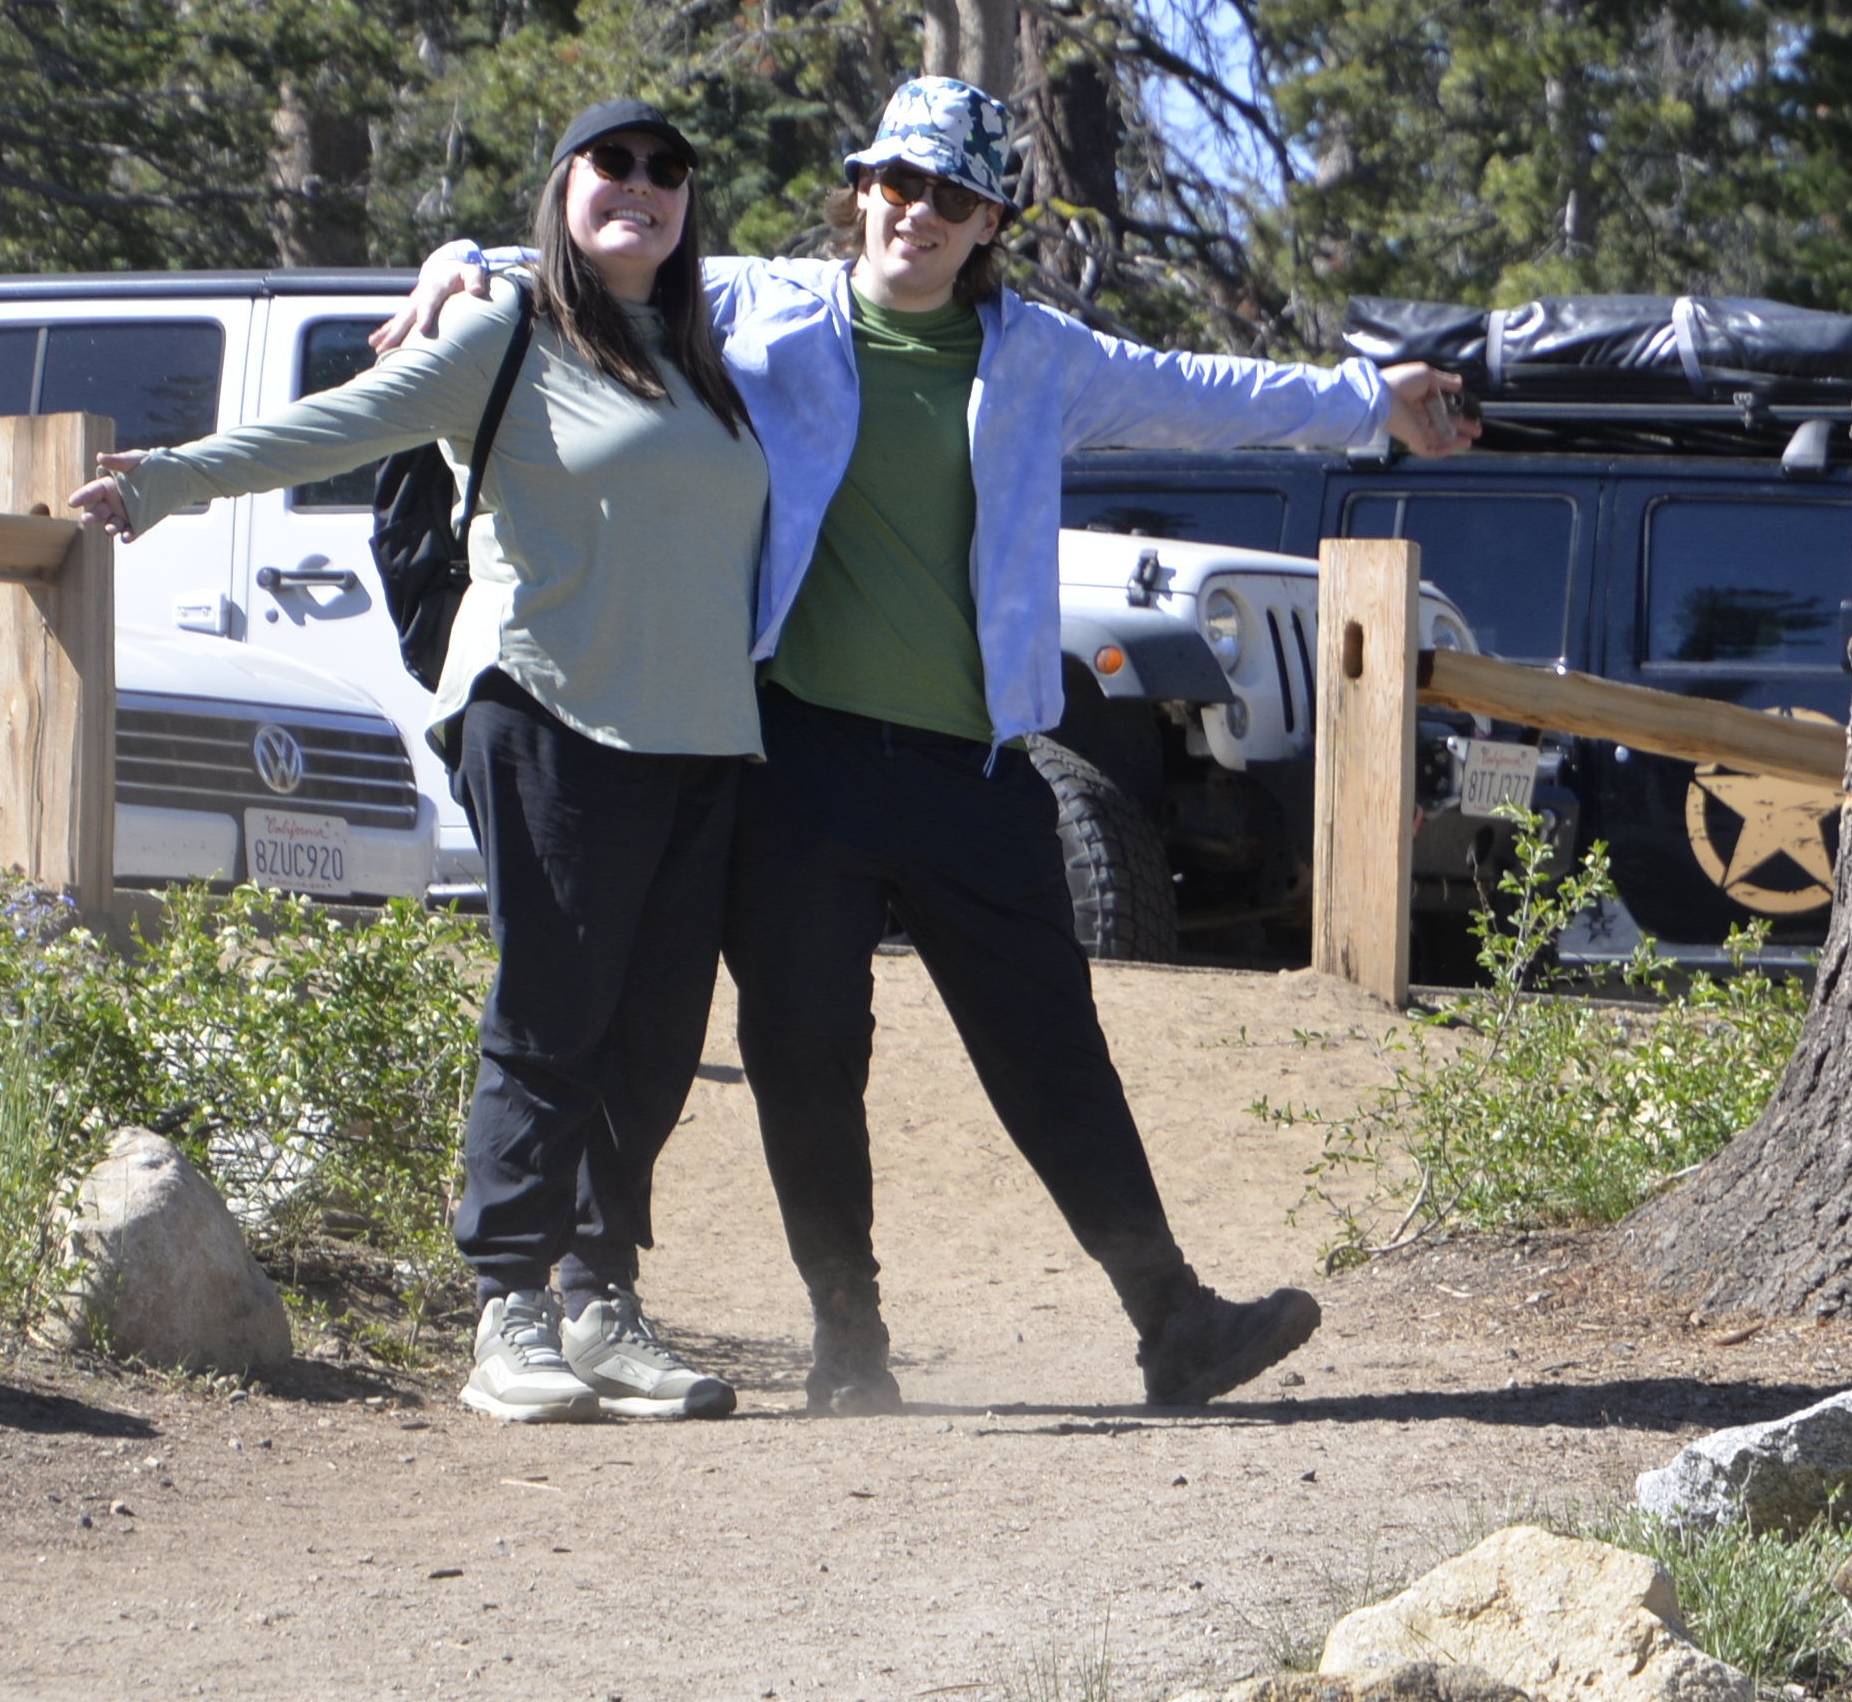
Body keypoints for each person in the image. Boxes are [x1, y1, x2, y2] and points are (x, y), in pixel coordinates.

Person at [385, 75, 1476, 1411]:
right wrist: (454, 264)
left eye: (952, 196)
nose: (918, 212)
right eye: (899, 184)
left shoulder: (1039, 357)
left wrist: (1371, 403)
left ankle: (1172, 1321)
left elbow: (1201, 390)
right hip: (798, 769)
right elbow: (589, 248)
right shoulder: (758, 309)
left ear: (988, 225)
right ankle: (849, 1340)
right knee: (806, 1055)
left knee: (1052, 1047)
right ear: (861, 193)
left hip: (975, 772)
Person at [66, 99, 768, 1427]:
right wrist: (170, 481)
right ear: (560, 189)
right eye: (611, 164)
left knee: (657, 1038)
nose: (643, 186)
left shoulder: (698, 359)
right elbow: (340, 423)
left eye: (669, 171)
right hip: (546, 715)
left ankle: (601, 1304)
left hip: (700, 743)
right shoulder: (505, 335)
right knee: (552, 1016)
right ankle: (510, 1314)